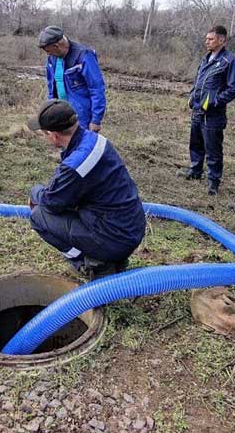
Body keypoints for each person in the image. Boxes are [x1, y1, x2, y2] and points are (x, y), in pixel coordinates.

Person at [27, 99, 146, 279]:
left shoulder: (76, 165)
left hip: (115, 237)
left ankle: (91, 264)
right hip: (130, 227)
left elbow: (51, 203)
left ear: (54, 136)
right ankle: (112, 260)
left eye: (44, 134)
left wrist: (35, 192)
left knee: (38, 216)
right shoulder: (94, 140)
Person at [179, 25, 235, 196]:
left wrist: (214, 101)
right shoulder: (206, 58)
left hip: (213, 114)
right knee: (196, 143)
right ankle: (195, 171)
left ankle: (213, 181)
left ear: (221, 40)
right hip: (198, 110)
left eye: (211, 39)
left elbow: (234, 88)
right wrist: (192, 96)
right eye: (206, 38)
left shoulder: (230, 61)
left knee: (213, 148)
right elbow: (198, 81)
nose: (206, 41)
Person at [38, 26, 106, 132]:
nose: (48, 54)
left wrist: (96, 120)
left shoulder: (84, 55)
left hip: (82, 116)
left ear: (57, 46)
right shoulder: (52, 59)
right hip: (61, 114)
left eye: (48, 51)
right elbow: (51, 86)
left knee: (82, 145)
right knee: (65, 145)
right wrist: (51, 110)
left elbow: (96, 88)